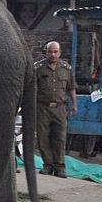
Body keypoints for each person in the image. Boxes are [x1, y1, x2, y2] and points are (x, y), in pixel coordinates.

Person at [35, 41, 77, 178]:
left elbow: (71, 88)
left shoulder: (66, 68)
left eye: (55, 52)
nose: (52, 54)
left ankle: (60, 167)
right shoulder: (38, 68)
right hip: (42, 108)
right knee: (43, 137)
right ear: (45, 52)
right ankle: (48, 165)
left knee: (60, 138)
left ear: (60, 53)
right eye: (50, 52)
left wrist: (74, 105)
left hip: (60, 108)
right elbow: (32, 89)